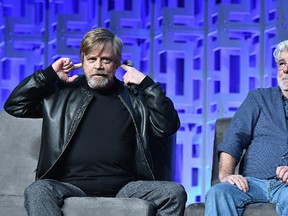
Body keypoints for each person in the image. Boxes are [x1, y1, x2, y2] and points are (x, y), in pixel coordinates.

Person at [4, 27, 187, 216]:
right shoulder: (61, 94)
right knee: (37, 190)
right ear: (82, 62)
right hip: (70, 186)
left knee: (174, 193)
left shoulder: (135, 98)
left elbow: (168, 126)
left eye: (106, 59)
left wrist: (148, 85)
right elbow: (15, 106)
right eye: (92, 59)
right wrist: (49, 75)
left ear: (117, 64)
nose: (98, 65)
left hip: (125, 187)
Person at [205, 39, 288, 216]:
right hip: (251, 183)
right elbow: (234, 137)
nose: (286, 69)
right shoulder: (259, 98)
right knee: (219, 193)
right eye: (282, 63)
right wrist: (226, 176)